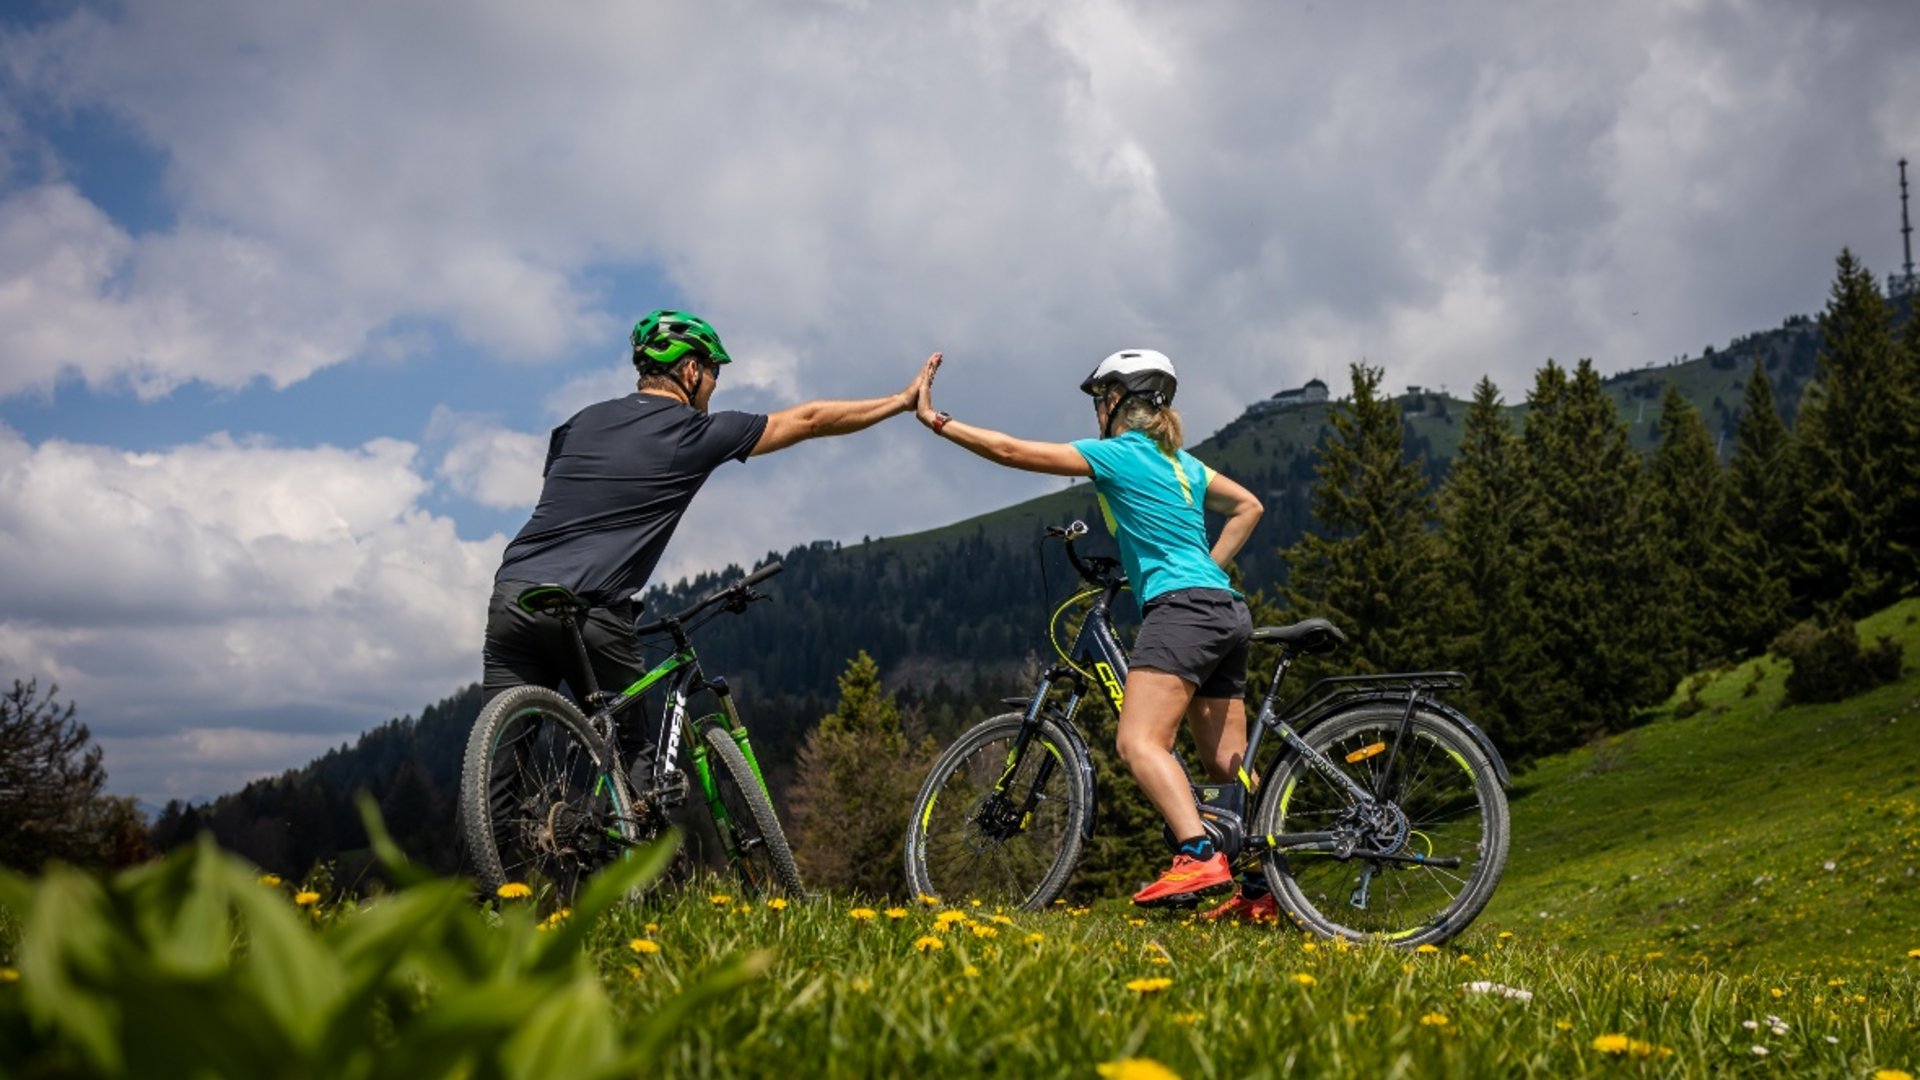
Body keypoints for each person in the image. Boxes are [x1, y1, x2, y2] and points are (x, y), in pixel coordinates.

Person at [485, 309, 935, 767]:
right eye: (714, 371)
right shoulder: (692, 430)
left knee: (498, 765)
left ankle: (492, 833)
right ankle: (636, 832)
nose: (715, 384)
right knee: (633, 757)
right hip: (591, 607)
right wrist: (900, 400)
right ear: (692, 370)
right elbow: (812, 419)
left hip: (513, 595)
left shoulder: (577, 423)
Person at [913, 349, 1272, 916]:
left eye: (1101, 398)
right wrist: (1207, 566)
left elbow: (1010, 451)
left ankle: (1198, 853)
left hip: (1181, 611)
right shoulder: (1182, 463)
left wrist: (935, 419)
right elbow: (1248, 506)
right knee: (1226, 767)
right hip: (1225, 608)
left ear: (1119, 402)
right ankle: (1261, 892)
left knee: (1138, 742)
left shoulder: (1120, 454)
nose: (1096, 409)